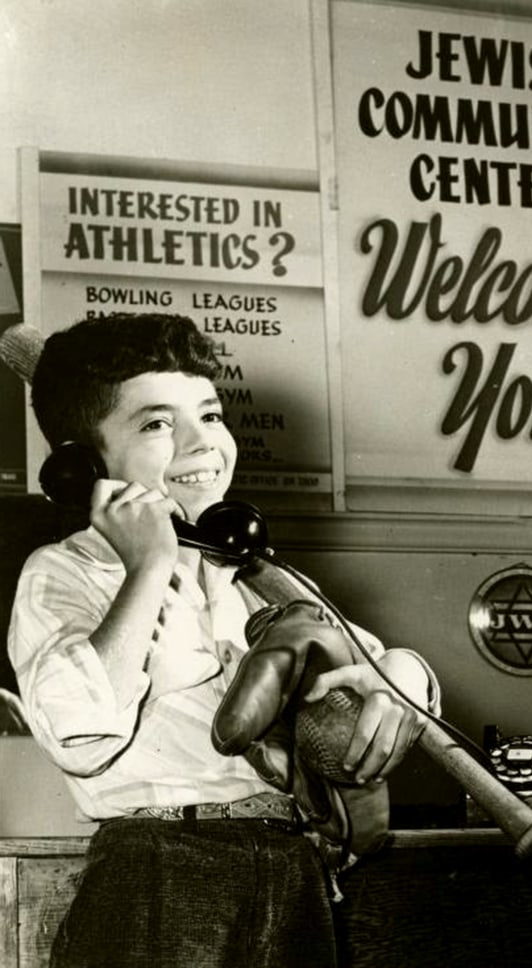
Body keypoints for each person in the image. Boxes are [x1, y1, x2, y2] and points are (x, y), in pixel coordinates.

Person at [8, 313, 440, 968]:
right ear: (81, 466)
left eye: (210, 415)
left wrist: (403, 678)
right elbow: (78, 731)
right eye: (157, 424)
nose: (201, 443)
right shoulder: (64, 574)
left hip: (291, 870)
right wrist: (149, 567)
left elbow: (366, 656)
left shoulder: (249, 576)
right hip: (162, 871)